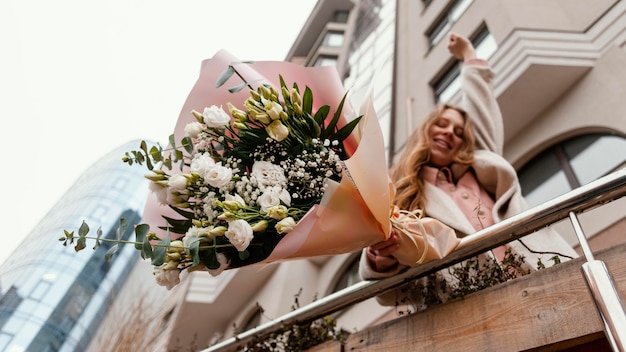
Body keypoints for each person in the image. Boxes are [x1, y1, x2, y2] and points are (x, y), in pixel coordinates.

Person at [359, 32, 578, 308]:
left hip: (545, 275)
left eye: (459, 132)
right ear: (425, 130)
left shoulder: (482, 168)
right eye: (442, 124)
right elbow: (386, 293)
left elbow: (482, 107)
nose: (450, 132)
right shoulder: (396, 192)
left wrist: (469, 56)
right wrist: (381, 257)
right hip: (470, 308)